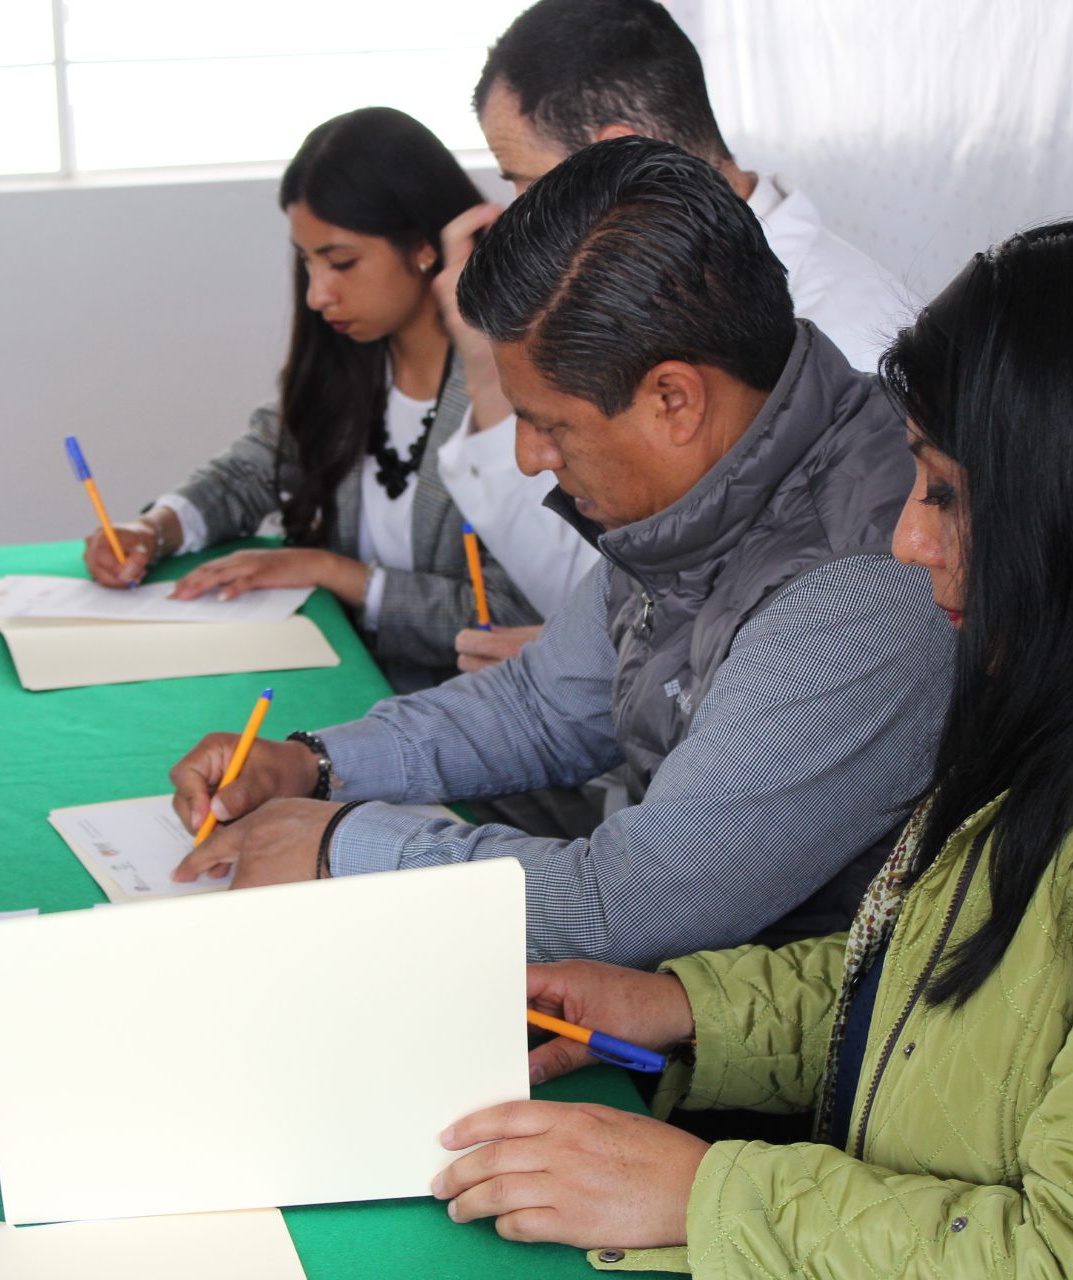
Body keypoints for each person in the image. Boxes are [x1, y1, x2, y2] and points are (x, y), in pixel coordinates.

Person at [429, 219, 1073, 1273]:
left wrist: (708, 1192)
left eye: (947, 493)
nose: (907, 537)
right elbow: (975, 989)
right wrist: (693, 1007)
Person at [168, 138, 951, 971]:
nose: (528, 457)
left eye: (550, 424)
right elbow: (543, 703)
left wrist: (343, 848)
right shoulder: (713, 476)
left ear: (673, 400)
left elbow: (634, 904)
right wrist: (315, 764)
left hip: (812, 1065)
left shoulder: (866, 582)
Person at [440, 0, 920, 672]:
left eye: (523, 181)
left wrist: (600, 672)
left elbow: (826, 647)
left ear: (615, 151)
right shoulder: (675, 289)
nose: (517, 215)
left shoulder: (853, 340)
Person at [81, 107, 536, 690]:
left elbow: (513, 618)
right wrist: (156, 529)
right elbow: (251, 470)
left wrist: (332, 572)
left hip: (471, 719)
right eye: (307, 261)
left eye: (341, 262)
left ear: (423, 247)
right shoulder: (351, 360)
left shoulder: (506, 390)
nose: (318, 293)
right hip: (343, 685)